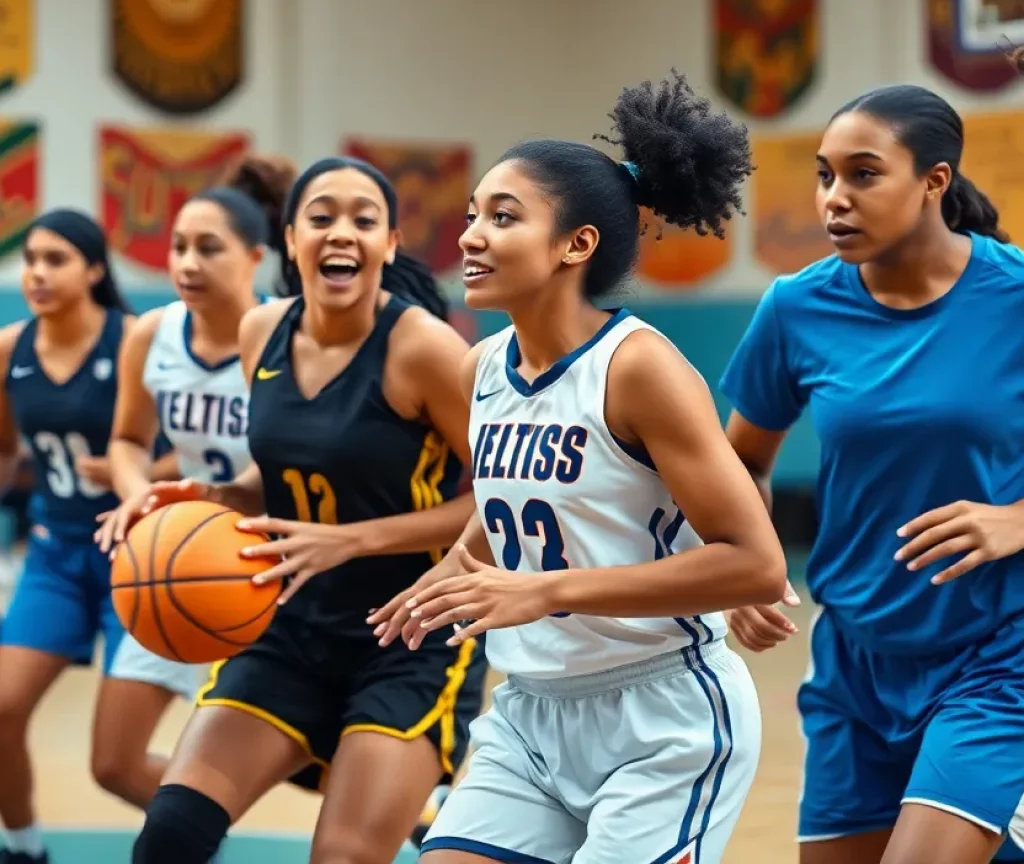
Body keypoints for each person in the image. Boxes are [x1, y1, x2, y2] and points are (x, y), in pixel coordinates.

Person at [370, 70, 788, 864]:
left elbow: (758, 562)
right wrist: (449, 576)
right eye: (470, 216)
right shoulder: (480, 369)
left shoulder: (638, 369)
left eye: (502, 217)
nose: (470, 236)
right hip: (529, 715)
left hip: (663, 717)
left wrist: (545, 589)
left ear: (576, 244)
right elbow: (511, 520)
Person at [113, 157, 486, 864]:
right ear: (290, 239)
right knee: (168, 836)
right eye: (321, 217)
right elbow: (283, 471)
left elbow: (501, 496)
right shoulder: (262, 333)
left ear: (388, 244)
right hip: (289, 627)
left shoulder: (425, 351)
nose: (340, 232)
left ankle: (418, 793)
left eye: (362, 220)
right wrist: (210, 497)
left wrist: (350, 540)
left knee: (340, 857)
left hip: (409, 638)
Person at [720, 81, 1024, 864]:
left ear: (935, 181)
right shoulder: (795, 309)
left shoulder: (1014, 297)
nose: (833, 199)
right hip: (854, 660)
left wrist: (1015, 519)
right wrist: (748, 571)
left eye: (863, 174)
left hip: (996, 652)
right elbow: (740, 464)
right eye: (824, 175)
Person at [95, 162, 292, 814]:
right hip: (177, 557)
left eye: (209, 247)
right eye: (179, 245)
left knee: (301, 742)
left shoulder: (288, 335)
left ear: (255, 256)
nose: (187, 261)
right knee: (113, 763)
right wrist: (135, 497)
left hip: (273, 563)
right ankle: (202, 816)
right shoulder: (150, 335)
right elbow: (127, 441)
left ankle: (402, 806)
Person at [0, 210, 133, 864]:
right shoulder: (8, 349)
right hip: (54, 553)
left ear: (95, 269)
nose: (38, 273)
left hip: (138, 556)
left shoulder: (135, 340)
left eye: (56, 259)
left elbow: (191, 456)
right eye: (30, 260)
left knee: (115, 763)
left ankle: (194, 824)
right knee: (0, 708)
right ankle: (24, 848)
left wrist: (135, 470)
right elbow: (4, 455)